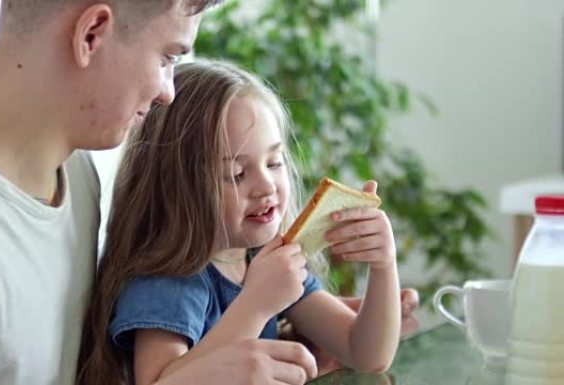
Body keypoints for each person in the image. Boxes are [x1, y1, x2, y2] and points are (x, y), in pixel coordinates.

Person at [77, 60, 403, 385]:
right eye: (237, 174)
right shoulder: (167, 281)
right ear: (175, 188)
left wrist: (384, 265)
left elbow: (367, 354)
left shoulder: (264, 260)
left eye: (274, 163)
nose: (265, 186)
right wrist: (258, 302)